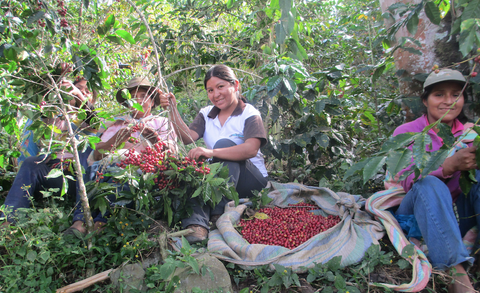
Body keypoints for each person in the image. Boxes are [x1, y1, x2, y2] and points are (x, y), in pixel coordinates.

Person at [158, 64, 269, 243]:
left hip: (251, 180)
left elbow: (251, 149)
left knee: (223, 146)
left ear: (235, 85)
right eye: (210, 90)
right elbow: (187, 138)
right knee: (195, 172)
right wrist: (172, 109)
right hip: (222, 181)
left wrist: (211, 151)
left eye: (220, 87)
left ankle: (218, 212)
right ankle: (197, 225)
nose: (215, 94)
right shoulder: (206, 114)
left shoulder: (249, 113)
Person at [393, 69, 477, 293]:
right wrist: (449, 166)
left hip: (459, 214)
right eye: (439, 94)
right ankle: (458, 279)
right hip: (418, 209)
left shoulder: (471, 134)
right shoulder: (407, 132)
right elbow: (408, 181)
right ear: (425, 100)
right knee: (428, 183)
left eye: (455, 95)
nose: (448, 101)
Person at [66, 77, 177, 234]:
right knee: (91, 171)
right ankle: (79, 221)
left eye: (143, 96)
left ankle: (100, 223)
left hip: (140, 173)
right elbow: (97, 154)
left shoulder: (162, 123)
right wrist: (118, 138)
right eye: (132, 97)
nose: (137, 100)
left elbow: (171, 157)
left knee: (125, 176)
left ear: (152, 102)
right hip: (106, 169)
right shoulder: (117, 123)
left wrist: (155, 139)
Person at [1, 77, 98, 226]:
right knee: (30, 164)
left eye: (87, 92)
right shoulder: (55, 117)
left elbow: (94, 123)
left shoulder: (90, 120)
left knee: (86, 156)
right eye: (78, 89)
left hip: (80, 179)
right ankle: (8, 222)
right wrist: (56, 81)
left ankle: (80, 222)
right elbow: (45, 119)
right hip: (54, 173)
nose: (83, 94)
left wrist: (79, 95)